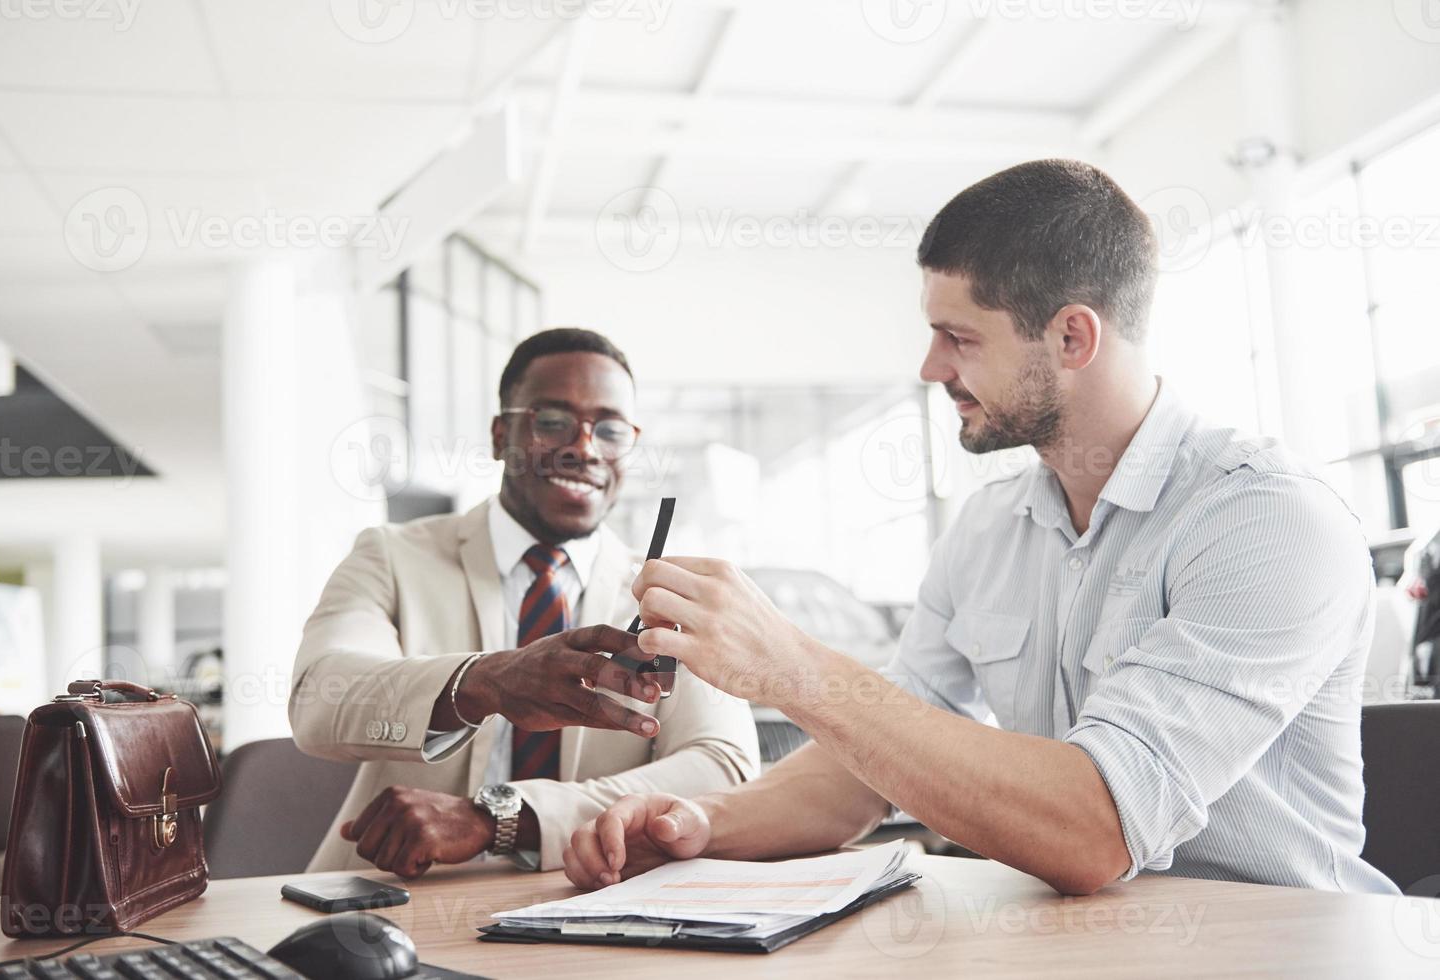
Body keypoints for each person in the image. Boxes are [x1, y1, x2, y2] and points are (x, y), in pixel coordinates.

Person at [561, 160, 1397, 896]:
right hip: (1081, 954)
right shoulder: (991, 528)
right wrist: (704, 823)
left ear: (1072, 336)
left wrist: (791, 666)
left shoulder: (1267, 521)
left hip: (1279, 953)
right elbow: (866, 773)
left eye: (958, 338)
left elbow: (1098, 829)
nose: (931, 369)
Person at [290, 328, 758, 879]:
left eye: (609, 429)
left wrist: (507, 818)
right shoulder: (391, 556)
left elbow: (724, 767)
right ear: (499, 435)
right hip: (389, 895)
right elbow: (318, 698)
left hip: (587, 898)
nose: (583, 448)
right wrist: (484, 681)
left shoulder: (667, 593)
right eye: (553, 421)